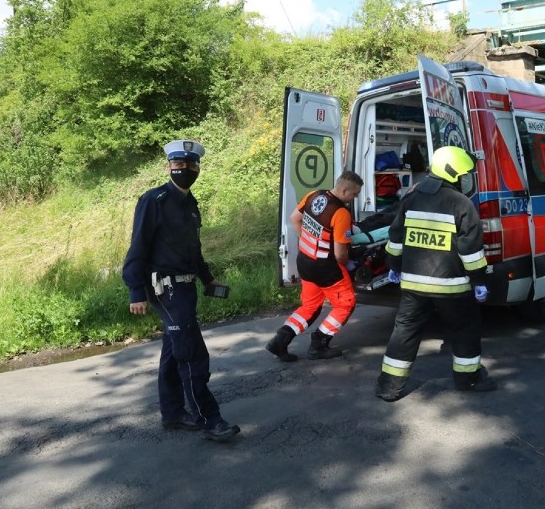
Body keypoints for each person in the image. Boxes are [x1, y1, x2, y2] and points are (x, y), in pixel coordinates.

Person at [122, 139, 240, 443]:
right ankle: (209, 420)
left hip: (186, 287)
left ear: (198, 168)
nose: (183, 170)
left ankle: (173, 413)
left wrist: (207, 279)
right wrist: (136, 289)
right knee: (191, 354)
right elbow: (138, 247)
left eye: (189, 165)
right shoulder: (154, 200)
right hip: (165, 287)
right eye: (177, 165)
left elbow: (193, 249)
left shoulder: (190, 203)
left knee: (174, 350)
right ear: (168, 167)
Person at [374, 145, 497, 402]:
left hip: (413, 285)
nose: (464, 179)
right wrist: (479, 281)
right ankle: (468, 378)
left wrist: (394, 267)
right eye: (462, 175)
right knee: (465, 329)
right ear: (452, 173)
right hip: (451, 287)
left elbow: (395, 238)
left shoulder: (411, 198)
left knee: (404, 332)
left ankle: (389, 387)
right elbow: (471, 251)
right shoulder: (461, 204)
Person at [266, 170, 365, 361]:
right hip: (326, 269)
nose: (354, 198)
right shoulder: (340, 213)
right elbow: (339, 254)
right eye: (354, 194)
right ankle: (319, 343)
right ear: (345, 191)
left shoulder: (314, 195)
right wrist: (348, 264)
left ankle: (280, 341)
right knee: (346, 304)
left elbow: (295, 218)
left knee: (310, 305)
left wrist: (309, 243)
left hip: (305, 261)